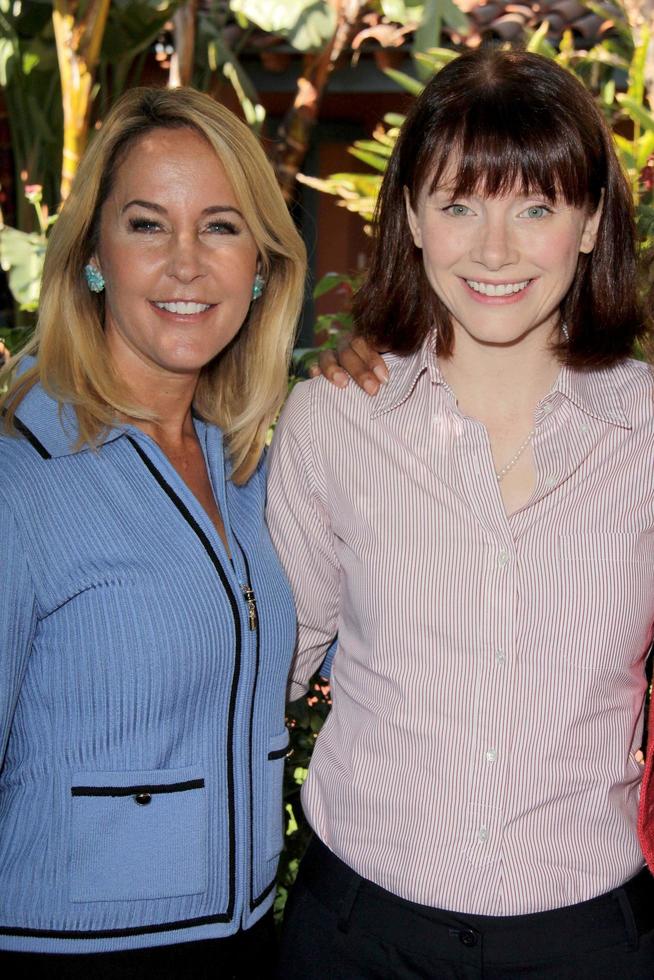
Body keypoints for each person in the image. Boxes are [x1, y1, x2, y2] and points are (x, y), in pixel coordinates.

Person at [267, 48, 654, 978]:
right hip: (358, 933)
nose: (494, 251)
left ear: (592, 219)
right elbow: (261, 673)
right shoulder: (337, 419)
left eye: (536, 207)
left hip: (589, 940)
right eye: (458, 205)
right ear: (410, 216)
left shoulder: (646, 432)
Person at [0, 86, 305, 978]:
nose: (185, 265)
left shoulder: (250, 469)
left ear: (260, 264)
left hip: (247, 944)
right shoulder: (23, 476)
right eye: (146, 225)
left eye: (219, 226)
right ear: (94, 255)